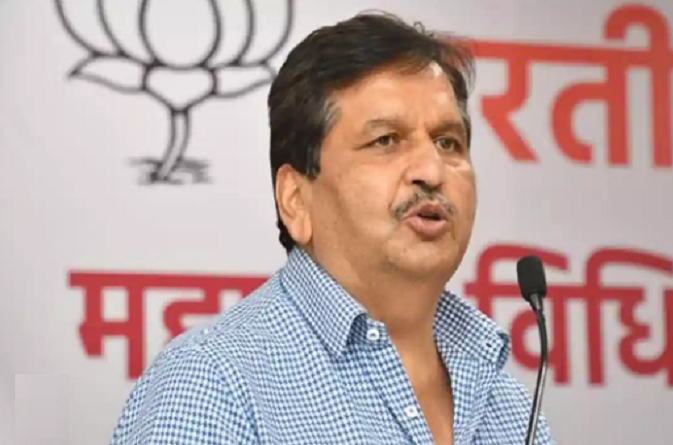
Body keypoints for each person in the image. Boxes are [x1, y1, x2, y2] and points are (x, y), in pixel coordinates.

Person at [109, 11, 557, 445]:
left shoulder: (510, 407)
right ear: (295, 199)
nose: (432, 170)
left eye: (448, 142)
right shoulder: (214, 384)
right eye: (385, 140)